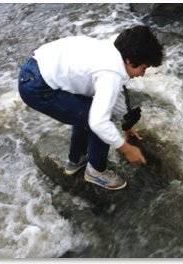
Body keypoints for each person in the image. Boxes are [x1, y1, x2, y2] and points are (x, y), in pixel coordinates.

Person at [18, 25, 163, 190]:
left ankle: (76, 160)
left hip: (34, 70)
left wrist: (126, 123)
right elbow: (99, 122)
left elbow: (115, 94)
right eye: (143, 68)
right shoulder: (111, 72)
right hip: (38, 87)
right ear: (130, 60)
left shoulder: (111, 53)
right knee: (100, 119)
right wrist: (126, 149)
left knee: (86, 111)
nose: (142, 74)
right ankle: (96, 170)